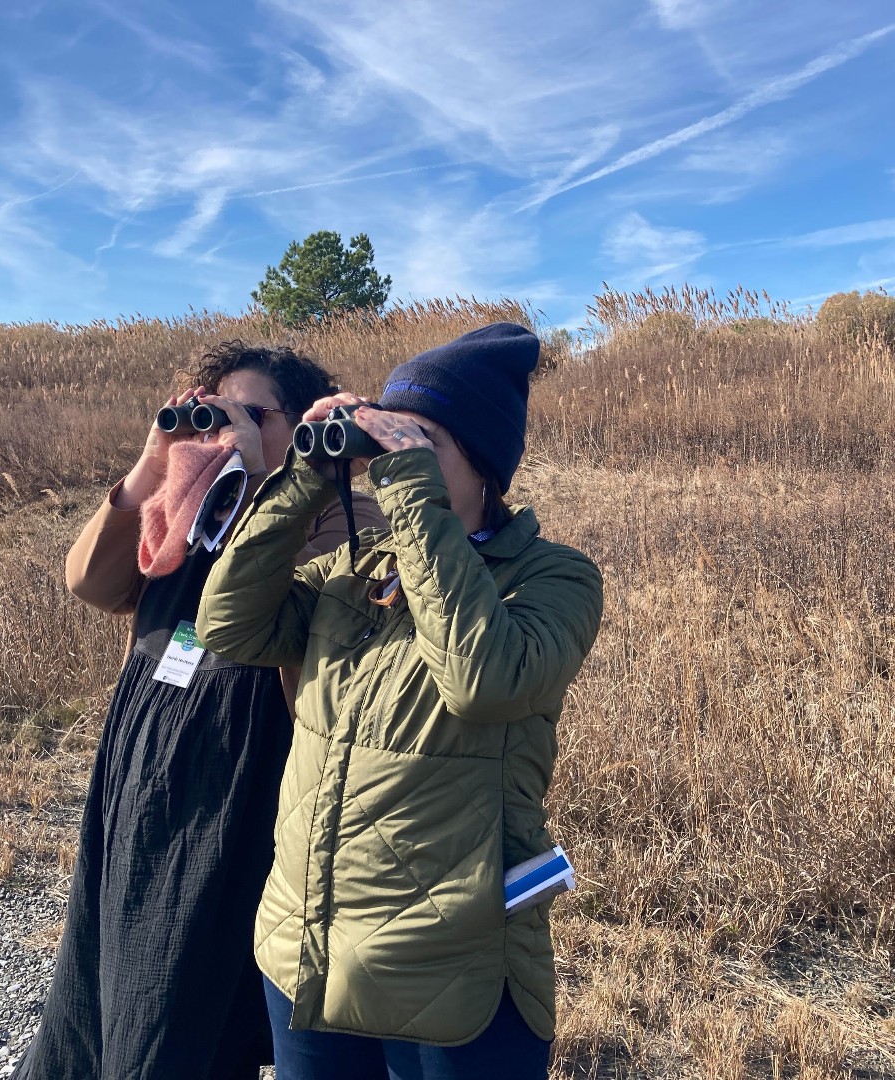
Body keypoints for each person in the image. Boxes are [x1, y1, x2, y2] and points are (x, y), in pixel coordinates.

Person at [196, 323, 604, 1080]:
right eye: (384, 440)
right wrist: (305, 483)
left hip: (455, 974)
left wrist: (412, 494)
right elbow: (229, 625)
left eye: (417, 443)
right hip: (306, 952)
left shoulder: (554, 579)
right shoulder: (357, 568)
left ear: (483, 468)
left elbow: (484, 680)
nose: (388, 461)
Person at [13, 340, 387, 1080]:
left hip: (237, 781)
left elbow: (310, 642)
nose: (231, 431)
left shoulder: (342, 517)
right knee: (105, 972)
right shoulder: (183, 508)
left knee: (184, 1007)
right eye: (220, 414)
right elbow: (90, 582)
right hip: (142, 768)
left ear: (304, 422)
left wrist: (269, 486)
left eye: (257, 414)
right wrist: (155, 465)